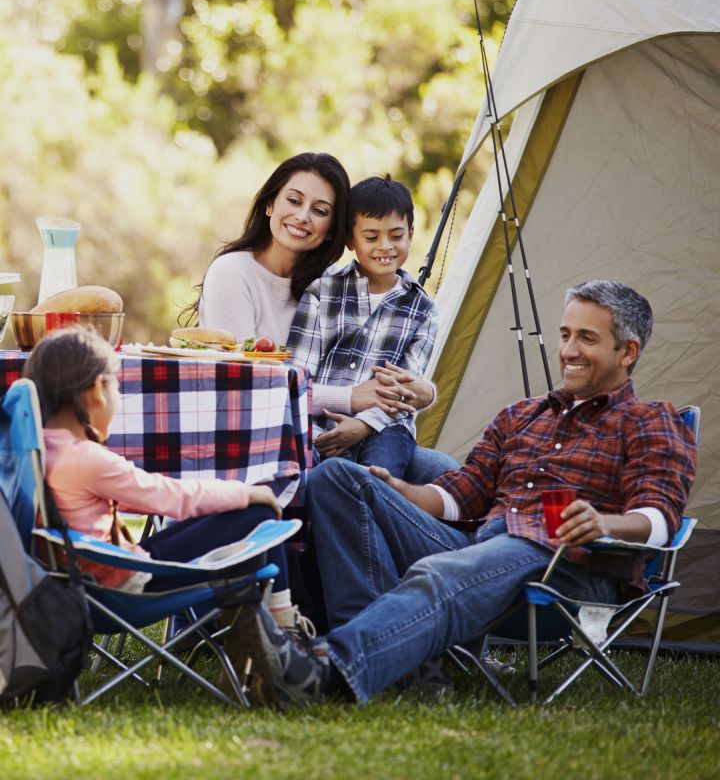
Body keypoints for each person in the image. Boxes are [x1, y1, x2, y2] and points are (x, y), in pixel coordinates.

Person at [293, 280, 697, 703]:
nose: (569, 350)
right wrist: (400, 492)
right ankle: (398, 666)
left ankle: (321, 668)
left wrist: (603, 523)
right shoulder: (520, 415)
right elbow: (462, 493)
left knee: (443, 571)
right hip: (481, 545)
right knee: (337, 477)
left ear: (627, 352)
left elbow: (660, 517)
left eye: (587, 338)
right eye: (565, 335)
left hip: (566, 566)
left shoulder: (650, 421)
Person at [22, 326, 312, 640]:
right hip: (124, 589)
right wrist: (247, 491)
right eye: (117, 387)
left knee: (234, 514)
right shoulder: (86, 460)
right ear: (96, 390)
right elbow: (171, 497)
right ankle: (285, 633)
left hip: (84, 582)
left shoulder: (36, 448)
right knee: (258, 515)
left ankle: (260, 629)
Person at [286, 175, 439, 478]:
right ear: (350, 240)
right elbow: (296, 379)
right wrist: (320, 432)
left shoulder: (423, 310)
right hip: (318, 425)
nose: (385, 247)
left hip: (385, 428)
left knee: (376, 485)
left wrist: (363, 424)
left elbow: (406, 390)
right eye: (371, 238)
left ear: (410, 233)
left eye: (396, 236)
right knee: (314, 479)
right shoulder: (323, 292)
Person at [186, 152, 351, 347]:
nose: (302, 216)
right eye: (294, 201)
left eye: (320, 211)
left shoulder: (335, 285)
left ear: (333, 228)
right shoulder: (232, 272)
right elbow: (240, 370)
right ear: (270, 205)